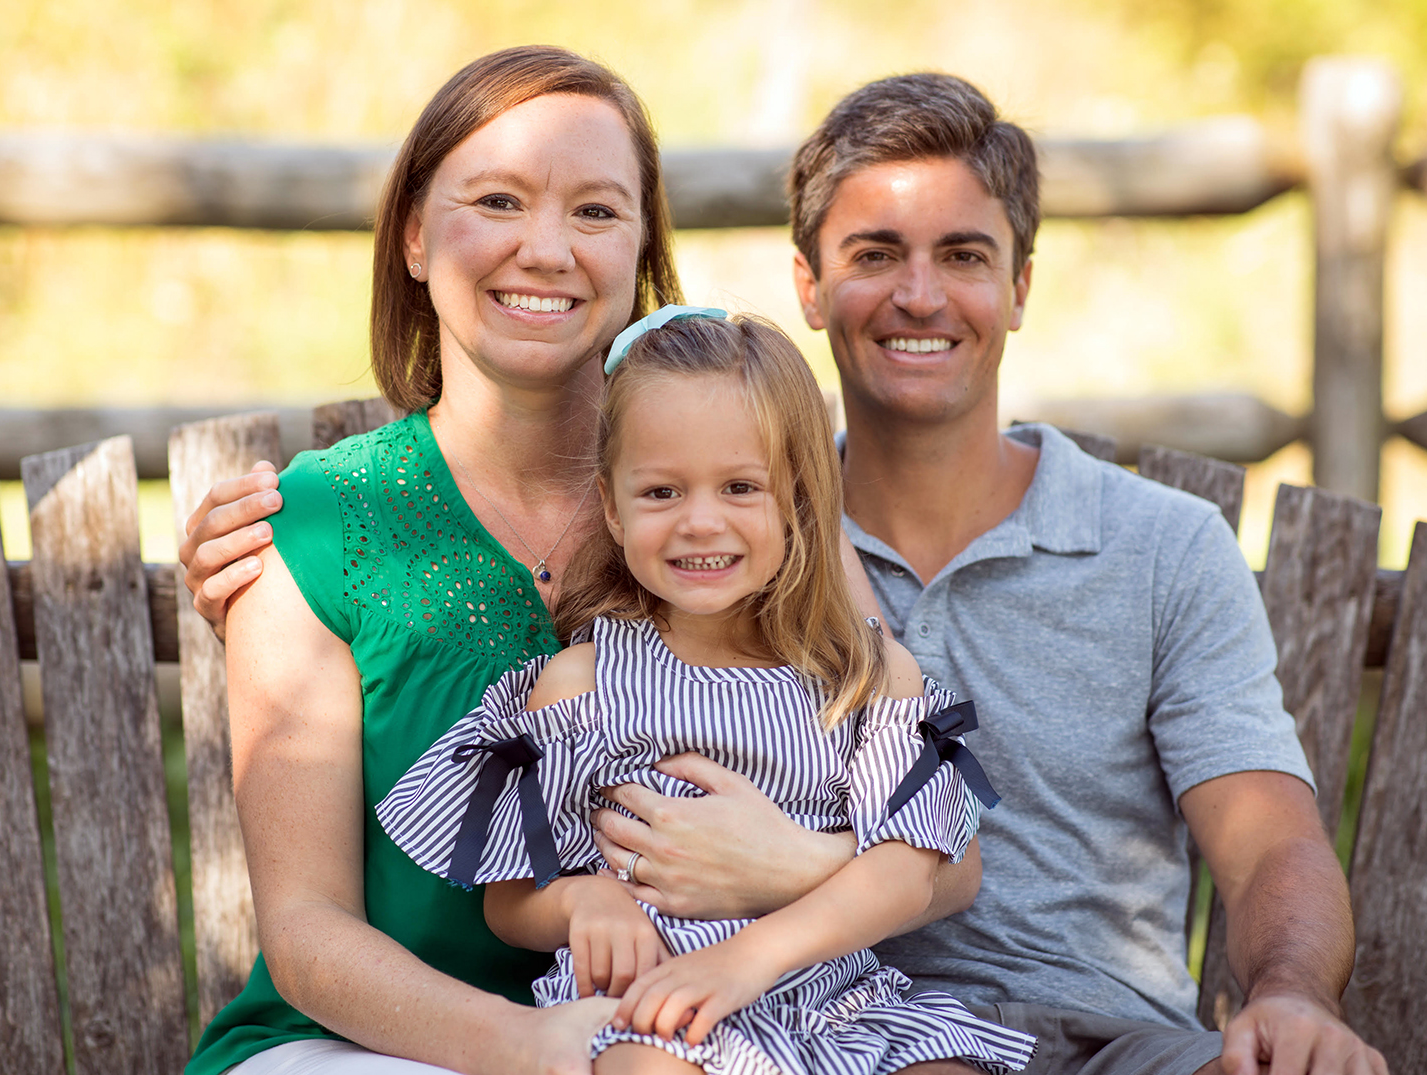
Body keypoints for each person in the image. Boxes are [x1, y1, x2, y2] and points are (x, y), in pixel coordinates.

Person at [181, 63, 1387, 1075]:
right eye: (875, 252)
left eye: (964, 253)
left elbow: (1234, 835)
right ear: (805, 285)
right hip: (627, 1030)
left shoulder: (805, 532)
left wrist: (1291, 994)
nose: (919, 293)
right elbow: (339, 904)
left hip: (944, 1023)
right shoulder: (672, 540)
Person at [184, 46, 965, 1075]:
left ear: (641, 249)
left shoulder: (732, 512)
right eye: (498, 201)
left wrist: (793, 865)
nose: (545, 248)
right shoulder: (321, 527)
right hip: (379, 1047)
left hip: (713, 1020)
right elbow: (306, 933)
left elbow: (935, 846)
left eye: (595, 212)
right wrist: (530, 1043)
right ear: (414, 235)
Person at [375, 308, 1038, 1075]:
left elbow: (905, 871)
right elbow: (510, 898)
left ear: (797, 502)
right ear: (612, 506)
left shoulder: (868, 678)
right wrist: (584, 903)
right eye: (660, 492)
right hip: (658, 1008)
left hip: (836, 1002)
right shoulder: (580, 686)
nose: (699, 521)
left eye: (738, 486)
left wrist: (744, 962)